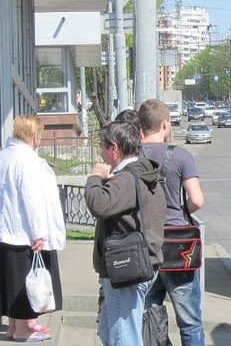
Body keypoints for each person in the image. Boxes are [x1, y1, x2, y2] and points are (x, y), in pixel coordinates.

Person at [85, 121, 165, 346]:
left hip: (126, 270)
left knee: (123, 337)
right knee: (109, 330)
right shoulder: (141, 173)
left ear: (114, 148)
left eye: (102, 147)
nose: (101, 153)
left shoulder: (127, 179)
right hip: (138, 265)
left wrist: (94, 177)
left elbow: (98, 205)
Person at [138, 99, 206, 346]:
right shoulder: (180, 155)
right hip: (178, 249)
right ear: (165, 124)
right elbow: (197, 200)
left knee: (149, 315)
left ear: (140, 126)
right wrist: (180, 210)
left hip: (144, 248)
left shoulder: (132, 156)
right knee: (189, 322)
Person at [0, 116, 65, 342]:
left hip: (7, 230)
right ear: (34, 135)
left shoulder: (5, 155)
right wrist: (39, 232)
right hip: (23, 232)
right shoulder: (26, 159)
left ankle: (14, 327)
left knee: (13, 279)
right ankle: (22, 330)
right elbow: (31, 197)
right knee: (24, 282)